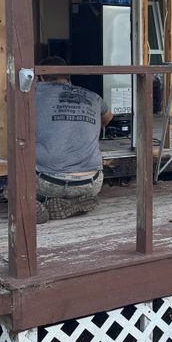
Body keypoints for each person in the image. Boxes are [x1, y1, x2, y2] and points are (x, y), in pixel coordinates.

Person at [34, 56, 113, 220]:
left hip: (48, 182)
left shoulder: (34, 94)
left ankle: (35, 203)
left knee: (16, 152)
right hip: (92, 182)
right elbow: (108, 118)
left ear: (40, 77)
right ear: (68, 76)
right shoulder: (93, 96)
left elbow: (7, 100)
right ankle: (73, 201)